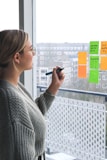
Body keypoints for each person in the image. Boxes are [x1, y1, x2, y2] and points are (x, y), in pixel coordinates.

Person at [0, 29, 65, 160]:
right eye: (30, 49)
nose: (34, 53)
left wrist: (53, 87)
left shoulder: (14, 87)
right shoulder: (10, 99)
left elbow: (30, 118)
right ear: (17, 57)